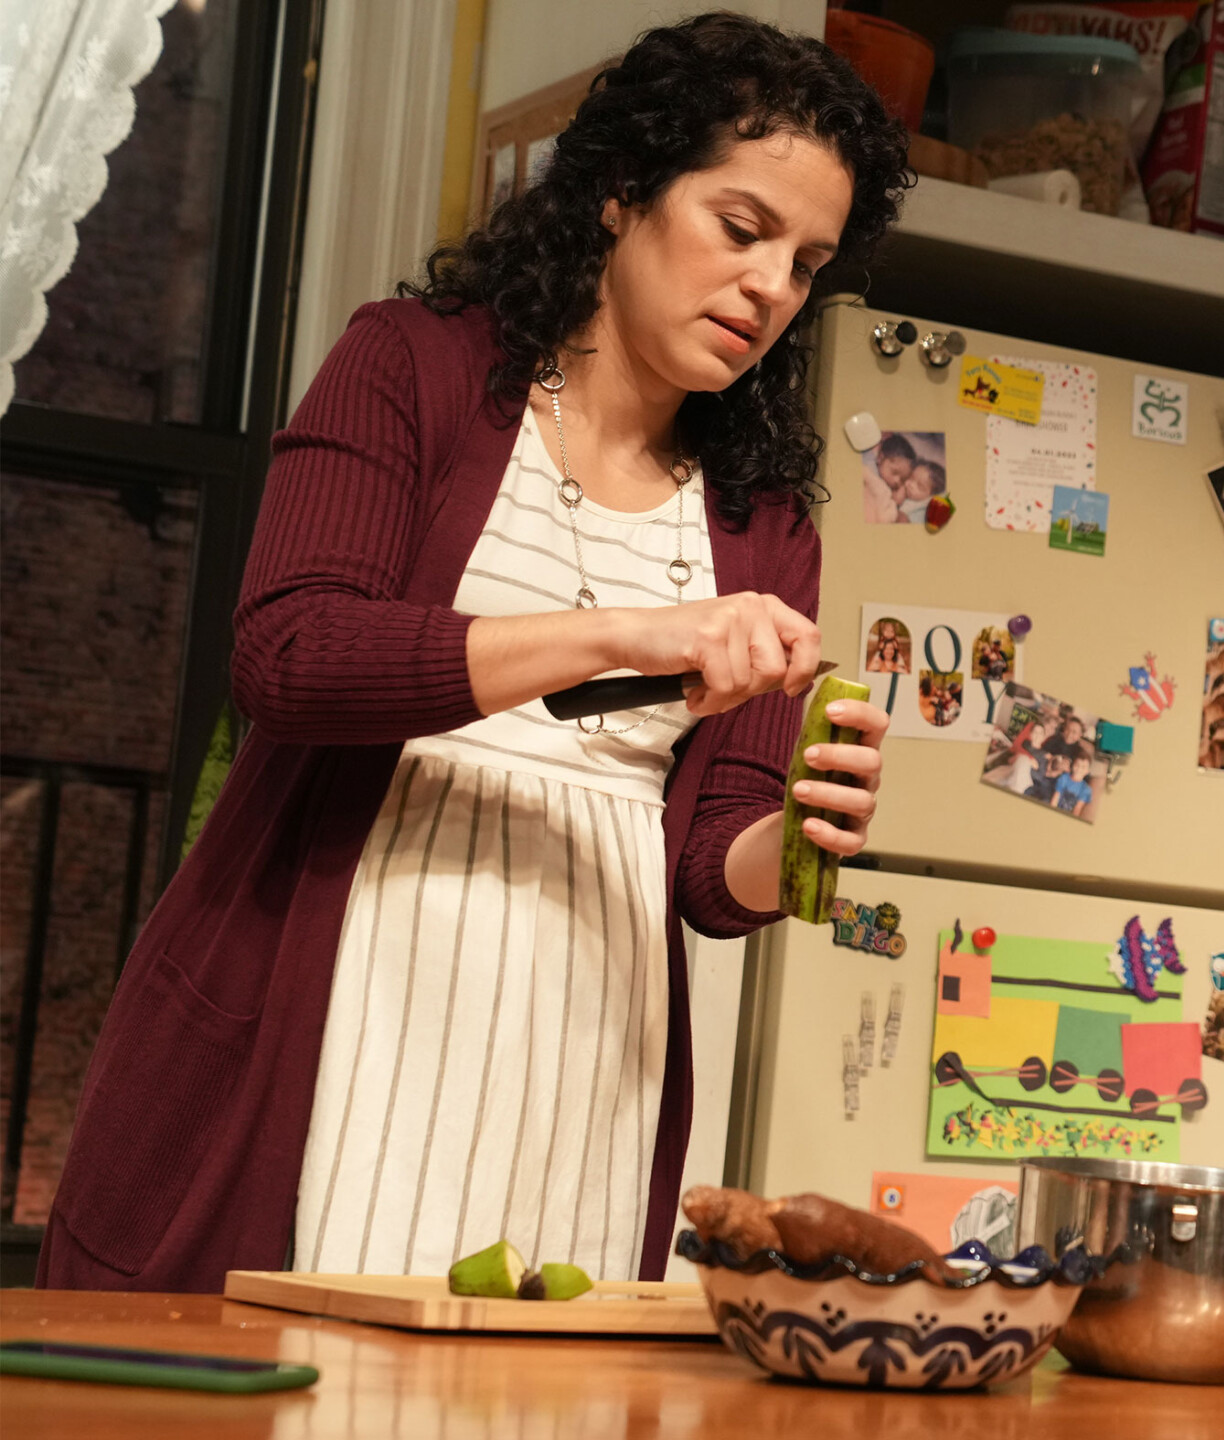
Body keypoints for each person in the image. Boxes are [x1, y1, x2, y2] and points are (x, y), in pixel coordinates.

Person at [37, 15, 913, 1292]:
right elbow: (289, 653)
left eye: (807, 263)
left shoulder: (764, 517)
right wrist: (625, 630)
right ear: (622, 193)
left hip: (589, 1045)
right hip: (342, 1001)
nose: (771, 287)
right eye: (742, 229)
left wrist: (799, 840)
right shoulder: (412, 366)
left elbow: (710, 876)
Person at [862, 432, 917, 523]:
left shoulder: (890, 489)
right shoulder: (870, 462)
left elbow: (893, 502)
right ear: (880, 458)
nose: (897, 481)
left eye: (902, 479)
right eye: (895, 472)